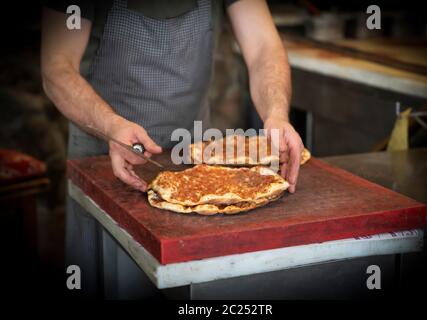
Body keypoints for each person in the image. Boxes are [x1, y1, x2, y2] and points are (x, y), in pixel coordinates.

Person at [41, 0, 303, 298]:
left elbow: (263, 47)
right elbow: (56, 68)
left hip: (195, 167)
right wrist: (110, 125)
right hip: (104, 159)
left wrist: (276, 114)